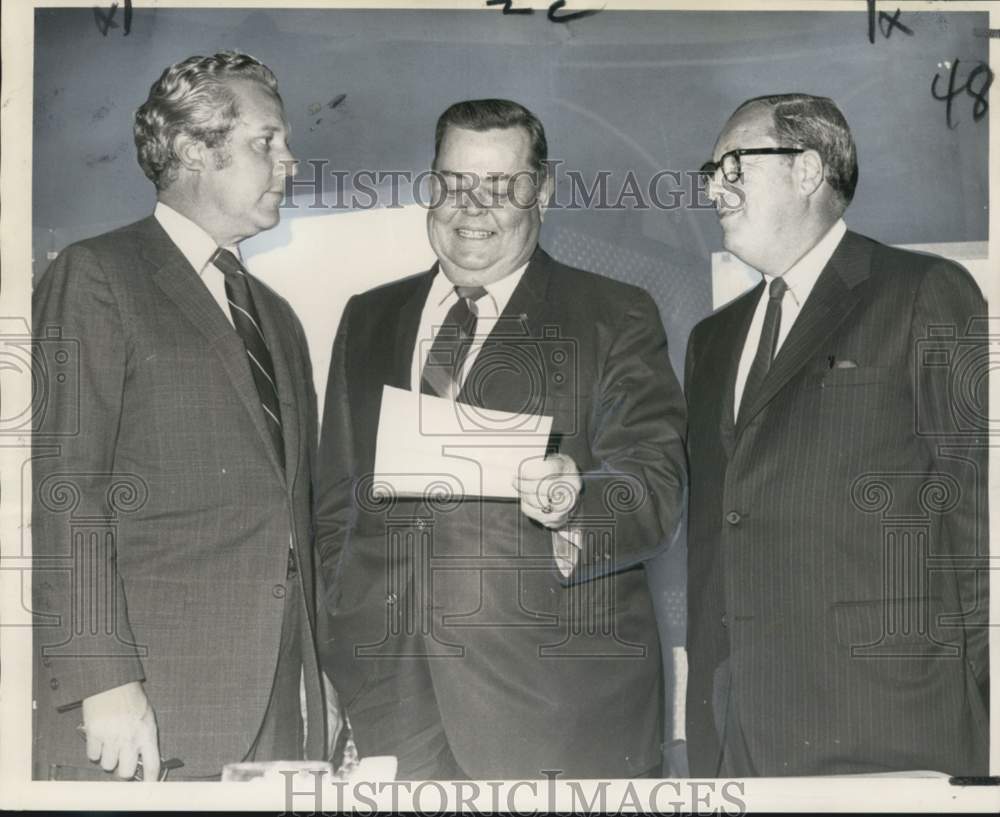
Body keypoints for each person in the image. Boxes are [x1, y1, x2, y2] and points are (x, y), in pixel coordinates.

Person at [315, 98, 687, 780]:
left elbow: (655, 488)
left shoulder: (615, 314)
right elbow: (336, 505)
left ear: (542, 191)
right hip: (391, 707)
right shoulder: (368, 317)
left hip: (553, 711)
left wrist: (579, 501)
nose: (470, 208)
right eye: (453, 184)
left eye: (500, 187)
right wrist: (340, 647)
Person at [32, 51, 326, 781]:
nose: (289, 160)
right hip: (147, 706)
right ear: (196, 148)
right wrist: (103, 678)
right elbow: (64, 489)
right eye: (267, 142)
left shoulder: (277, 319)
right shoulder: (97, 274)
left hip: (277, 708)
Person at [685, 93, 989, 776]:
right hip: (742, 737)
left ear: (809, 170)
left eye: (736, 163)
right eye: (710, 170)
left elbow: (976, 514)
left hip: (891, 725)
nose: (715, 186)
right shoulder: (712, 340)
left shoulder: (924, 291)